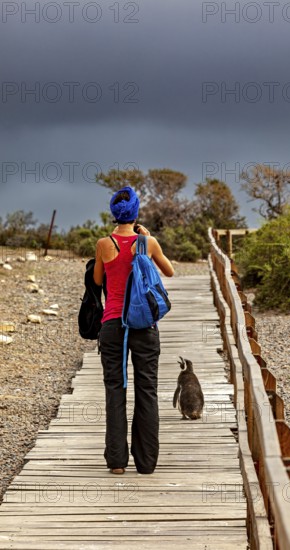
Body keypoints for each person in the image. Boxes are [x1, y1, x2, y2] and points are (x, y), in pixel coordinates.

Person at [93, 186, 174, 475]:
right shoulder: (147, 243)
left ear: (114, 214)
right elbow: (169, 272)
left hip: (113, 324)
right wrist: (148, 239)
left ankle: (116, 462)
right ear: (136, 212)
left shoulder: (104, 244)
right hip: (144, 325)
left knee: (115, 389)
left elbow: (98, 279)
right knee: (147, 390)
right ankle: (146, 462)